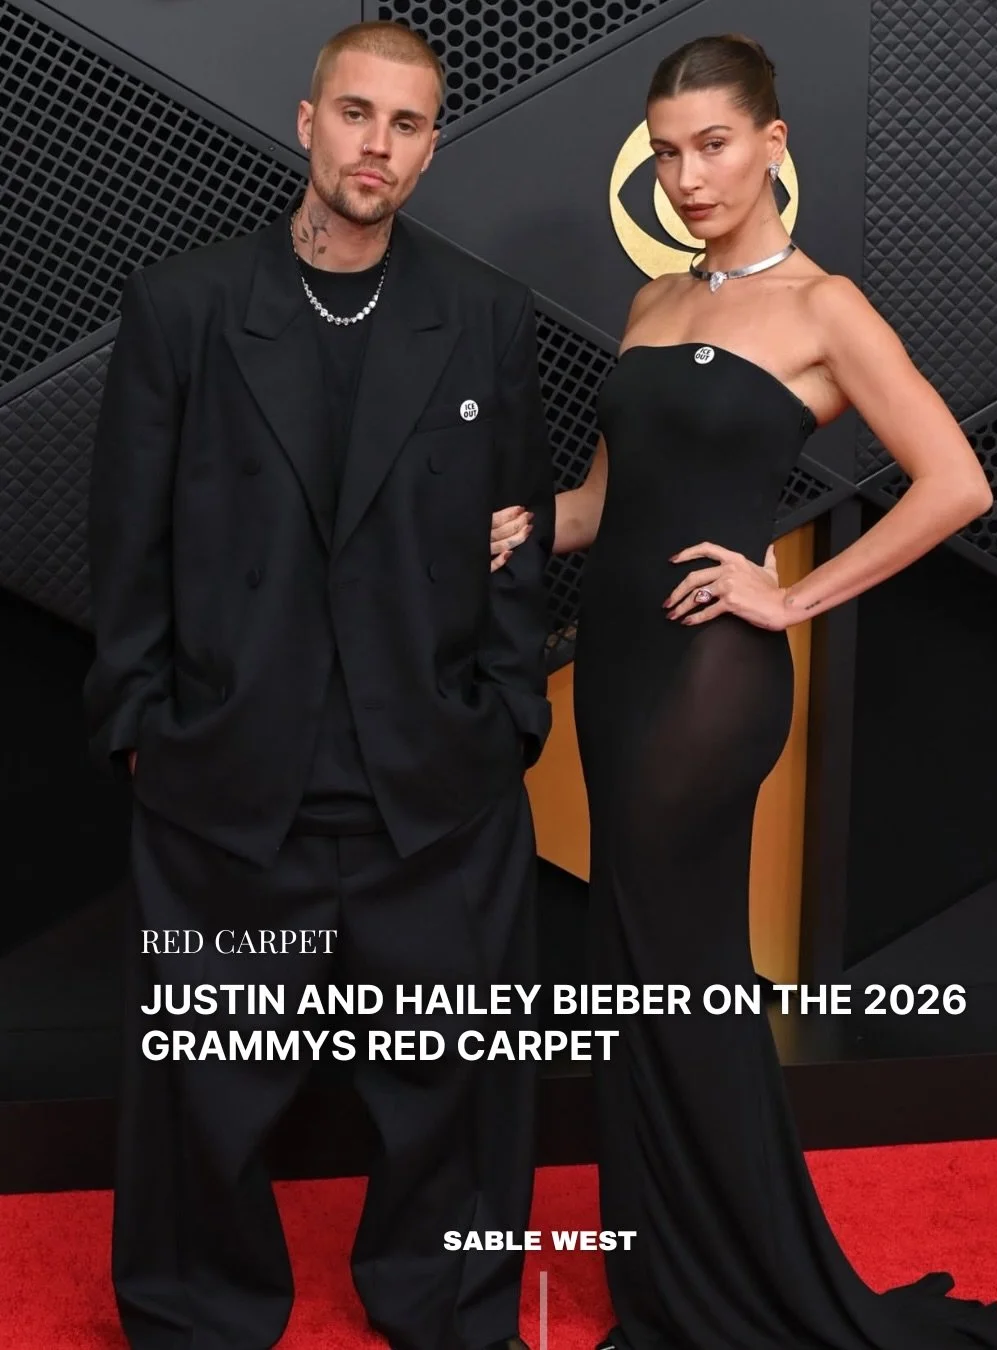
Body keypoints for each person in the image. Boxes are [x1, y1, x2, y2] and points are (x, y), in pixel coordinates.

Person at [490, 32, 997, 1350]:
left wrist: (790, 595)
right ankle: (677, 1289)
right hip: (618, 669)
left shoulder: (824, 307)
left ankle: (737, 1296)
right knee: (638, 974)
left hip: (709, 678)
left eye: (714, 145)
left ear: (773, 144)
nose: (688, 177)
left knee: (673, 973)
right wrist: (520, 522)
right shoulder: (653, 304)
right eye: (667, 153)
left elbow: (957, 483)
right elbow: (606, 506)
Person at [85, 21, 552, 1350]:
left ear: (432, 147)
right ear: (306, 121)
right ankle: (198, 1312)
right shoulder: (184, 306)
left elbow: (516, 530)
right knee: (204, 1088)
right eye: (356, 114)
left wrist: (506, 714)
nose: (376, 147)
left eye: (406, 125)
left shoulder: (484, 315)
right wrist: (144, 725)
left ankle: (446, 1303)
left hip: (432, 784)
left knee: (454, 1084)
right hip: (229, 782)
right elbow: (127, 538)